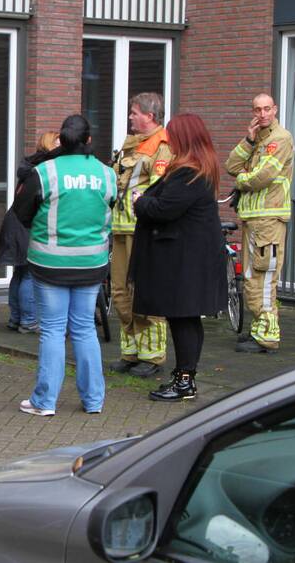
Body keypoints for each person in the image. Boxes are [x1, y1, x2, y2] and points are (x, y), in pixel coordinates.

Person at [12, 115, 116, 416]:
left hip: (50, 263)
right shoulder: (106, 174)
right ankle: (94, 400)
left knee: (53, 330)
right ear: (89, 141)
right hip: (91, 262)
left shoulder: (44, 172)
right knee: (84, 329)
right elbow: (110, 206)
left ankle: (45, 402)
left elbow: (21, 213)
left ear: (62, 140)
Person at [130, 114, 227, 402]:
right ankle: (184, 377)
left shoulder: (189, 172)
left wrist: (139, 201)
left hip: (186, 260)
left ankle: (185, 381)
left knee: (183, 317)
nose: (168, 140)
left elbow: (164, 208)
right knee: (184, 318)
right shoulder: (198, 168)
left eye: (173, 135)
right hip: (190, 258)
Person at [107, 93, 172, 378]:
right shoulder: (130, 144)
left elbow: (159, 189)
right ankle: (130, 352)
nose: (130, 117)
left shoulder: (163, 146)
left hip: (143, 229)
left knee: (144, 292)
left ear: (150, 116)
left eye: (134, 112)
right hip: (121, 228)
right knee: (120, 292)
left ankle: (153, 356)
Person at [224, 93, 294, 354]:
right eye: (258, 109)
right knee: (253, 277)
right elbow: (231, 164)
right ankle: (258, 331)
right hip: (254, 219)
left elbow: (263, 176)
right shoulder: (259, 139)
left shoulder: (281, 138)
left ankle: (267, 336)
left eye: (267, 109)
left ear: (275, 110)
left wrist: (241, 180)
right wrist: (249, 139)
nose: (263, 114)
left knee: (264, 278)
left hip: (269, 219)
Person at [0, 130, 59, 334]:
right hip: (26, 223)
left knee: (20, 272)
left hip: (14, 220)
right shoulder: (45, 168)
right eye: (58, 141)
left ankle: (15, 318)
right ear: (51, 144)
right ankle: (29, 321)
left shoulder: (30, 165)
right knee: (30, 274)